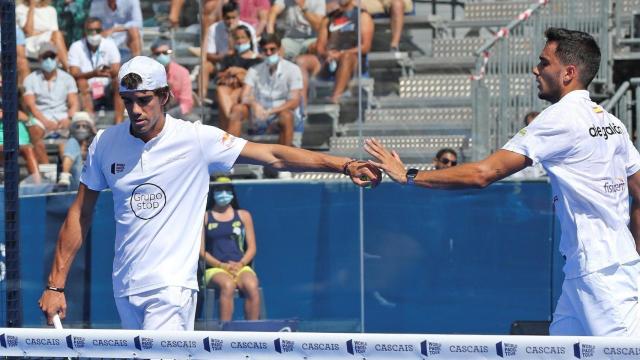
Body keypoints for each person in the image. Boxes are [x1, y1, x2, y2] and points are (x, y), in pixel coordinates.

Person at [38, 55, 380, 330]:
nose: (136, 110)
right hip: (124, 287)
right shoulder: (104, 143)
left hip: (171, 288)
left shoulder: (197, 139)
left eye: (144, 100)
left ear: (165, 97)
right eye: (128, 101)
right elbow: (80, 213)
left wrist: (345, 164)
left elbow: (273, 155)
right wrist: (56, 285)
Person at [365, 27, 640, 337]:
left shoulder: (560, 117)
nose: (536, 69)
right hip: (594, 269)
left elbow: (483, 173)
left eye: (544, 62)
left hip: (601, 277)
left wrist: (409, 176)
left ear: (568, 73)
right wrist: (632, 252)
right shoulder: (611, 122)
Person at [201, 177, 260, 321]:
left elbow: (252, 248)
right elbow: (201, 251)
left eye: (226, 190)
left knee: (251, 285)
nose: (223, 193)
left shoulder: (244, 216)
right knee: (227, 285)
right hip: (214, 270)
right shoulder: (204, 217)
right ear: (213, 192)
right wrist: (222, 266)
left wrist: (240, 264)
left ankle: (253, 334)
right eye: (219, 190)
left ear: (232, 192)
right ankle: (225, 333)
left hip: (240, 267)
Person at [228, 34, 303, 147]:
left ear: (279, 49)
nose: (268, 53)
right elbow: (244, 96)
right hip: (259, 114)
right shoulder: (254, 70)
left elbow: (294, 101)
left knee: (286, 116)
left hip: (280, 113)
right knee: (237, 109)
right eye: (265, 50)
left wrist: (271, 111)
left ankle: (284, 160)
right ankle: (229, 155)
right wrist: (254, 105)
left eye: (272, 49)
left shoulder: (293, 69)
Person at [296, 0, 374, 104]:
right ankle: (302, 106)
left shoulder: (362, 16)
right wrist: (327, 53)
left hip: (353, 61)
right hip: (329, 59)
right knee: (301, 61)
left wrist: (340, 54)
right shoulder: (329, 18)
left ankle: (335, 98)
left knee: (346, 57)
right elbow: (320, 46)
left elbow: (365, 47)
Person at [23, 42, 79, 163]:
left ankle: (65, 173)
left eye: (52, 56)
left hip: (62, 115)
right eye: (45, 57)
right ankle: (47, 170)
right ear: (39, 59)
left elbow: (74, 103)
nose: (49, 60)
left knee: (68, 136)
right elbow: (31, 106)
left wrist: (68, 118)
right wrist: (45, 122)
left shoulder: (67, 78)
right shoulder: (30, 79)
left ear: (57, 58)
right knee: (34, 130)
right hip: (41, 117)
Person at [68, 17, 124, 124]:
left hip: (107, 88)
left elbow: (117, 69)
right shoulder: (76, 46)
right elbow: (74, 73)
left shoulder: (109, 44)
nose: (94, 33)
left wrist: (107, 72)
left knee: (118, 82)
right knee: (81, 82)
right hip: (87, 88)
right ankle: (91, 121)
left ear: (101, 30)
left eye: (97, 30)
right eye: (90, 30)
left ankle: (119, 122)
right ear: (85, 31)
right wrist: (93, 74)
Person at [201, 0, 258, 100]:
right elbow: (209, 54)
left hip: (244, 65)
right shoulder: (214, 29)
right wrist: (224, 56)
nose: (231, 21)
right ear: (222, 17)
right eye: (228, 18)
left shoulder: (248, 29)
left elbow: (254, 54)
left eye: (233, 17)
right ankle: (202, 99)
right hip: (221, 64)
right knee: (204, 66)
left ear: (238, 15)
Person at [216, 25, 262, 130]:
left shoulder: (258, 60)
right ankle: (230, 117)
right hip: (229, 90)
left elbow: (257, 80)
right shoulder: (229, 58)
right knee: (221, 89)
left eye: (243, 37)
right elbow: (220, 77)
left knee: (237, 91)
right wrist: (231, 75)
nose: (240, 41)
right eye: (237, 38)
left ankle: (229, 122)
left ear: (249, 39)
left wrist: (240, 72)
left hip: (247, 93)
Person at [150, 38, 195, 121]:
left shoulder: (182, 72)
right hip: (154, 112)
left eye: (165, 52)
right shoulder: (148, 73)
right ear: (153, 55)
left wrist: (168, 116)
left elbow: (187, 103)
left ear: (171, 53)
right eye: (157, 53)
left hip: (176, 112)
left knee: (193, 120)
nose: (161, 56)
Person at [16, 0, 69, 69]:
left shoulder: (51, 10)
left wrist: (37, 32)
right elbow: (28, 32)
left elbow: (54, 32)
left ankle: (67, 69)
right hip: (30, 43)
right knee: (56, 36)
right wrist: (32, 6)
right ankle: (69, 70)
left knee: (57, 36)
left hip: (49, 41)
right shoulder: (20, 9)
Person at [57, 112, 96, 189]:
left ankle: (65, 175)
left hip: (93, 180)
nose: (81, 129)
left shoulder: (95, 142)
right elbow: (63, 156)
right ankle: (65, 176)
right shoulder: (67, 143)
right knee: (72, 142)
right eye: (77, 126)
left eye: (84, 126)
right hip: (76, 181)